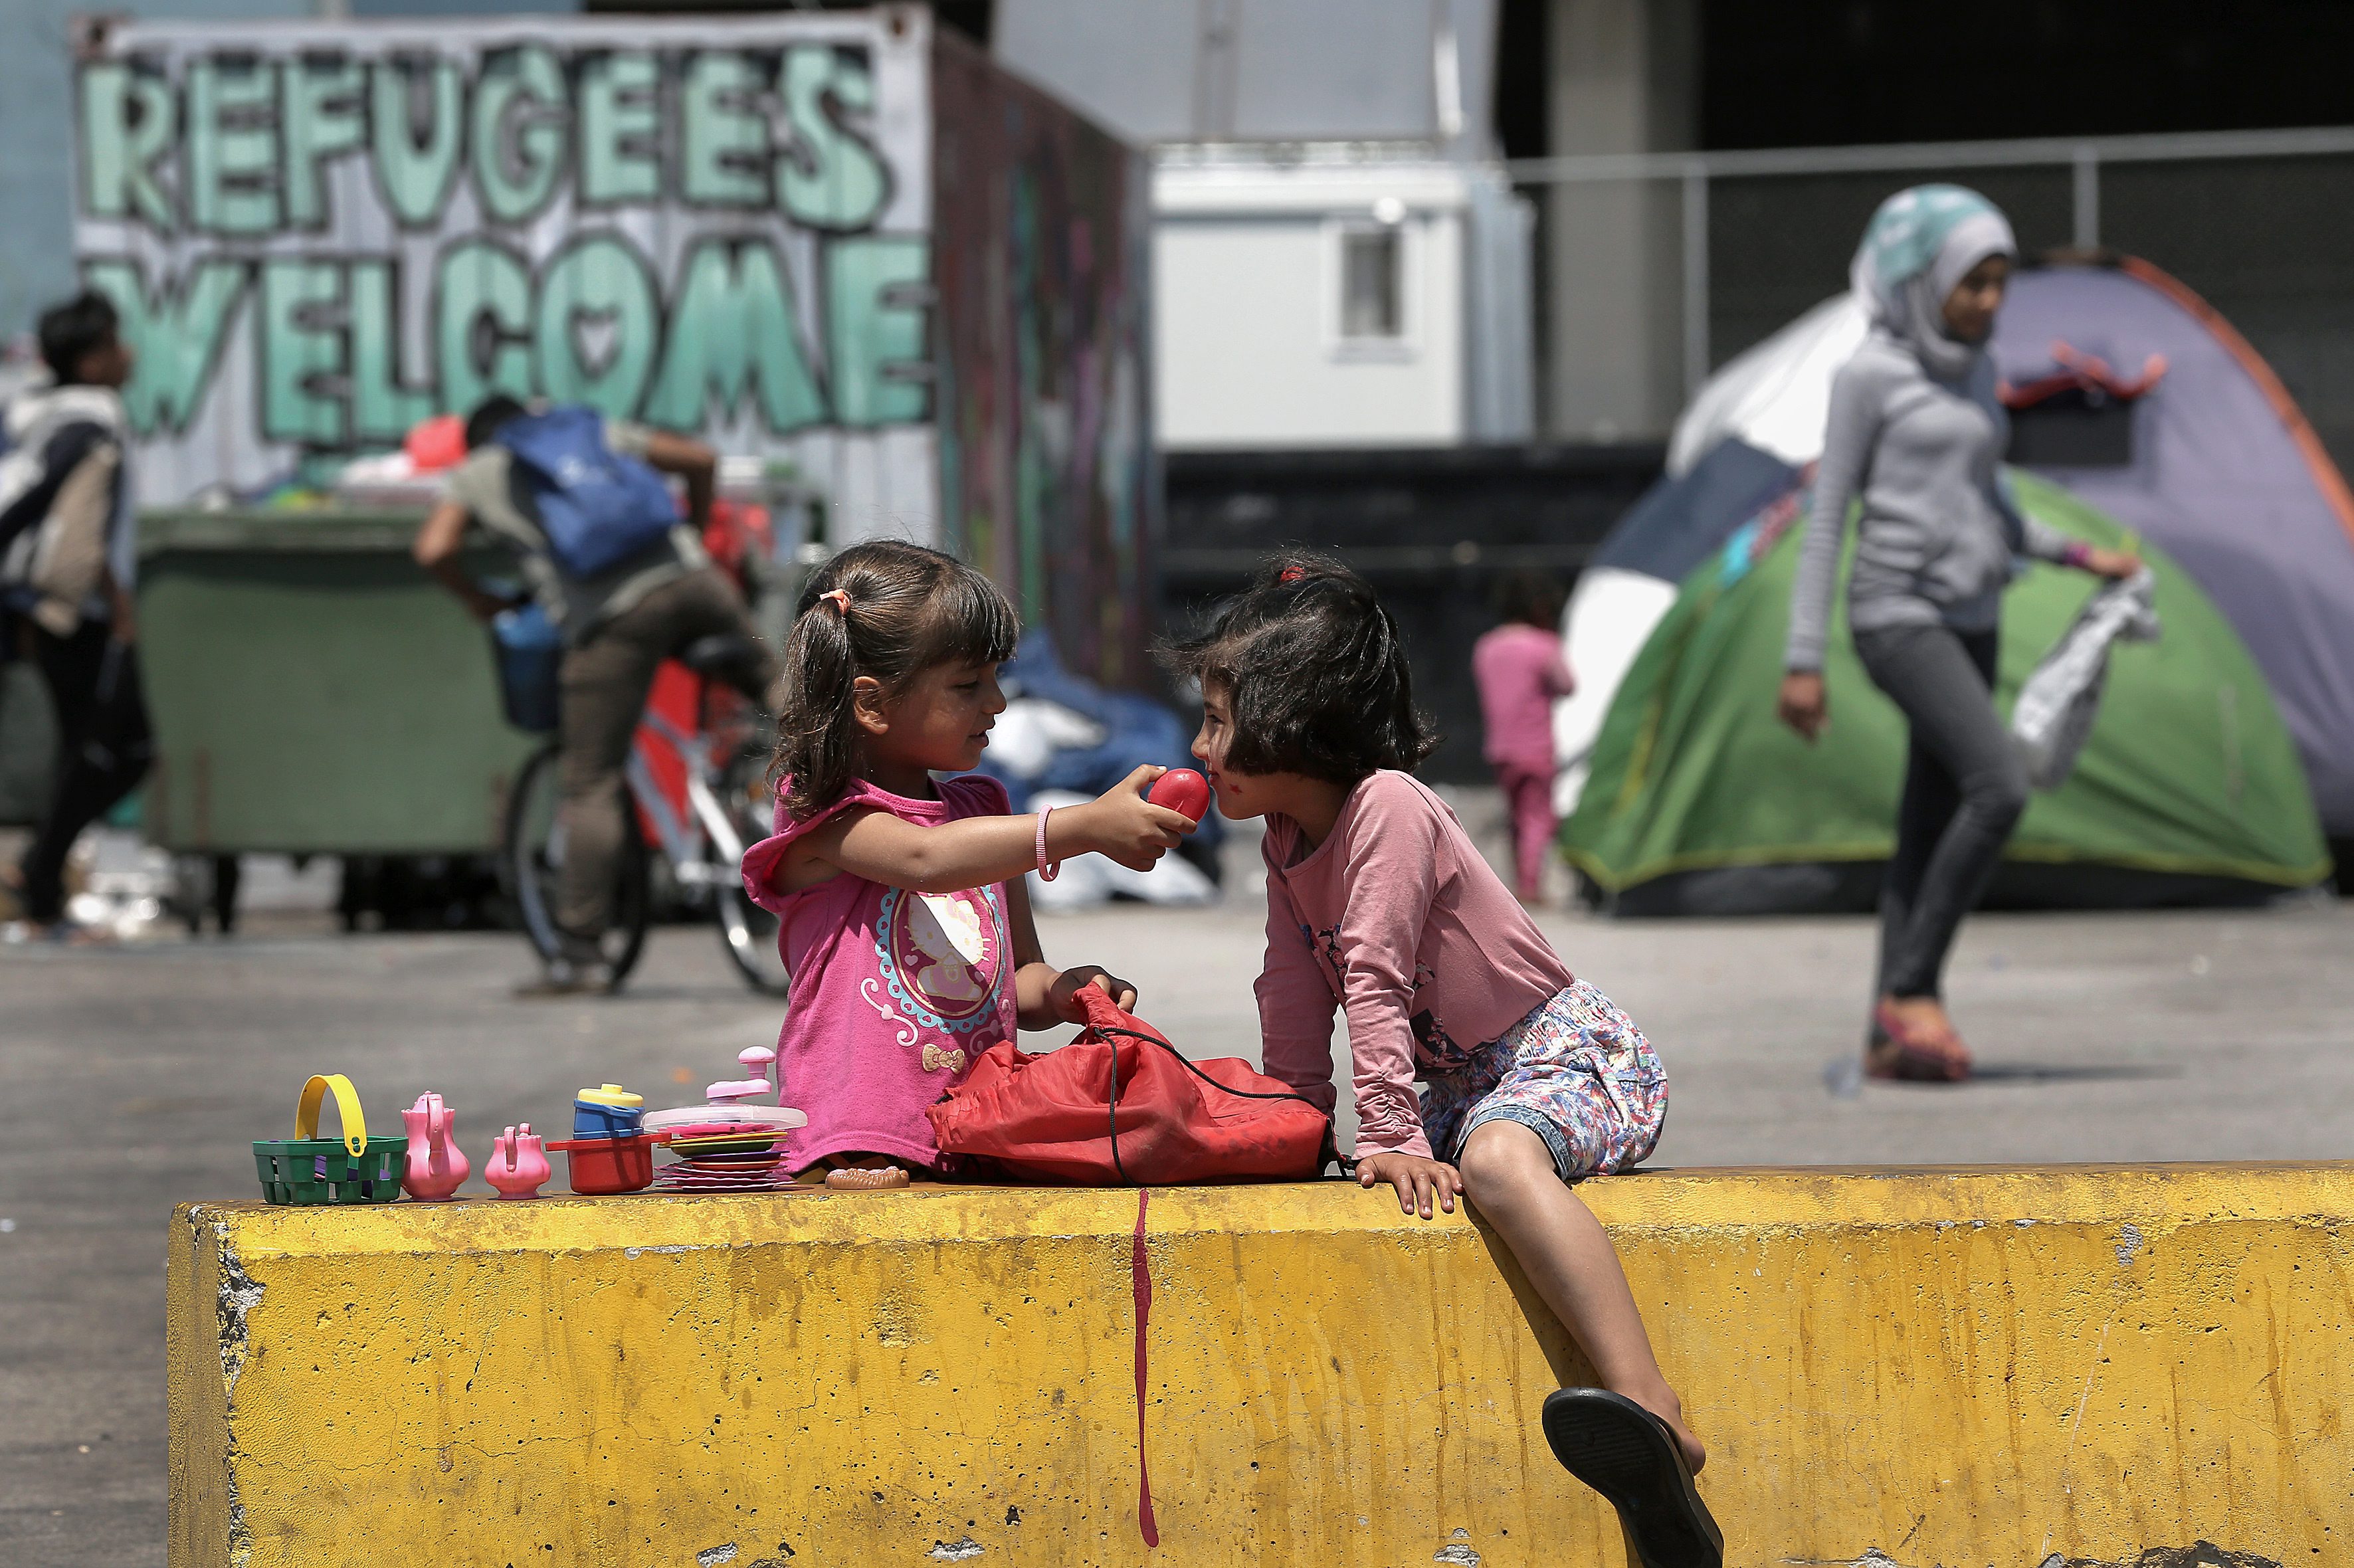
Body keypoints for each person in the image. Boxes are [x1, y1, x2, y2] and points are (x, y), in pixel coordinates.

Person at [1167, 553, 1719, 1564]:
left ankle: (1653, 1412)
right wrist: (1293, 1124)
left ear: (1293, 719)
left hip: (1563, 1055)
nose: (1199, 747)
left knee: (1499, 1165)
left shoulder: (1388, 807)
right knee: (1318, 1151)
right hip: (1461, 1088)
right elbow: (1290, 989)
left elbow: (1370, 973)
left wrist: (1382, 1128)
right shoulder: (1286, 836)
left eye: (1216, 720)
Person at [1776, 186, 2141, 1082]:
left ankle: (1882, 1036)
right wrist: (1801, 659)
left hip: (1972, 615)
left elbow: (1993, 508)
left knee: (1927, 819)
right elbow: (1826, 519)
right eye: (1968, 282)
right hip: (1895, 614)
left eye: (1996, 283)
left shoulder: (1976, 371)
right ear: (1920, 279)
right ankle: (1912, 991)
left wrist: (2076, 555)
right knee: (1998, 787)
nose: (1985, 301)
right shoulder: (1865, 376)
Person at [739, 540, 1198, 1187]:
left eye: (996, 677)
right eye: (967, 684)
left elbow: (1015, 979)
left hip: (976, 1131)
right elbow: (924, 859)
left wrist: (1066, 989)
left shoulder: (983, 809)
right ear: (871, 703)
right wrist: (1084, 826)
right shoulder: (824, 810)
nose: (999, 702)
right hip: (857, 1148)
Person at [413, 395, 778, 993]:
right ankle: (867, 802)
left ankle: (580, 956)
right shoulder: (589, 431)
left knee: (590, 780)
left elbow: (433, 548)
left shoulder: (480, 472)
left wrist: (477, 596)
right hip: (694, 585)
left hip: (610, 620)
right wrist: (694, 531)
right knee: (783, 695)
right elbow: (699, 458)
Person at [1, 291, 151, 941]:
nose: (129, 355)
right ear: (91, 362)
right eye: (116, 344)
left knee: (91, 747)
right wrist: (113, 601)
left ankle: (39, 882)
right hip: (65, 608)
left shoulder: (43, 414)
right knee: (120, 745)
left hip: (52, 604)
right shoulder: (89, 422)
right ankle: (37, 880)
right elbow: (57, 512)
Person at [1473, 571, 1574, 903]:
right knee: (1537, 816)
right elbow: (1568, 685)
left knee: (1516, 818)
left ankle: (1520, 881)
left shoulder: (1487, 647)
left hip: (1501, 748)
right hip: (1536, 747)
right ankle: (1531, 887)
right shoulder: (1542, 645)